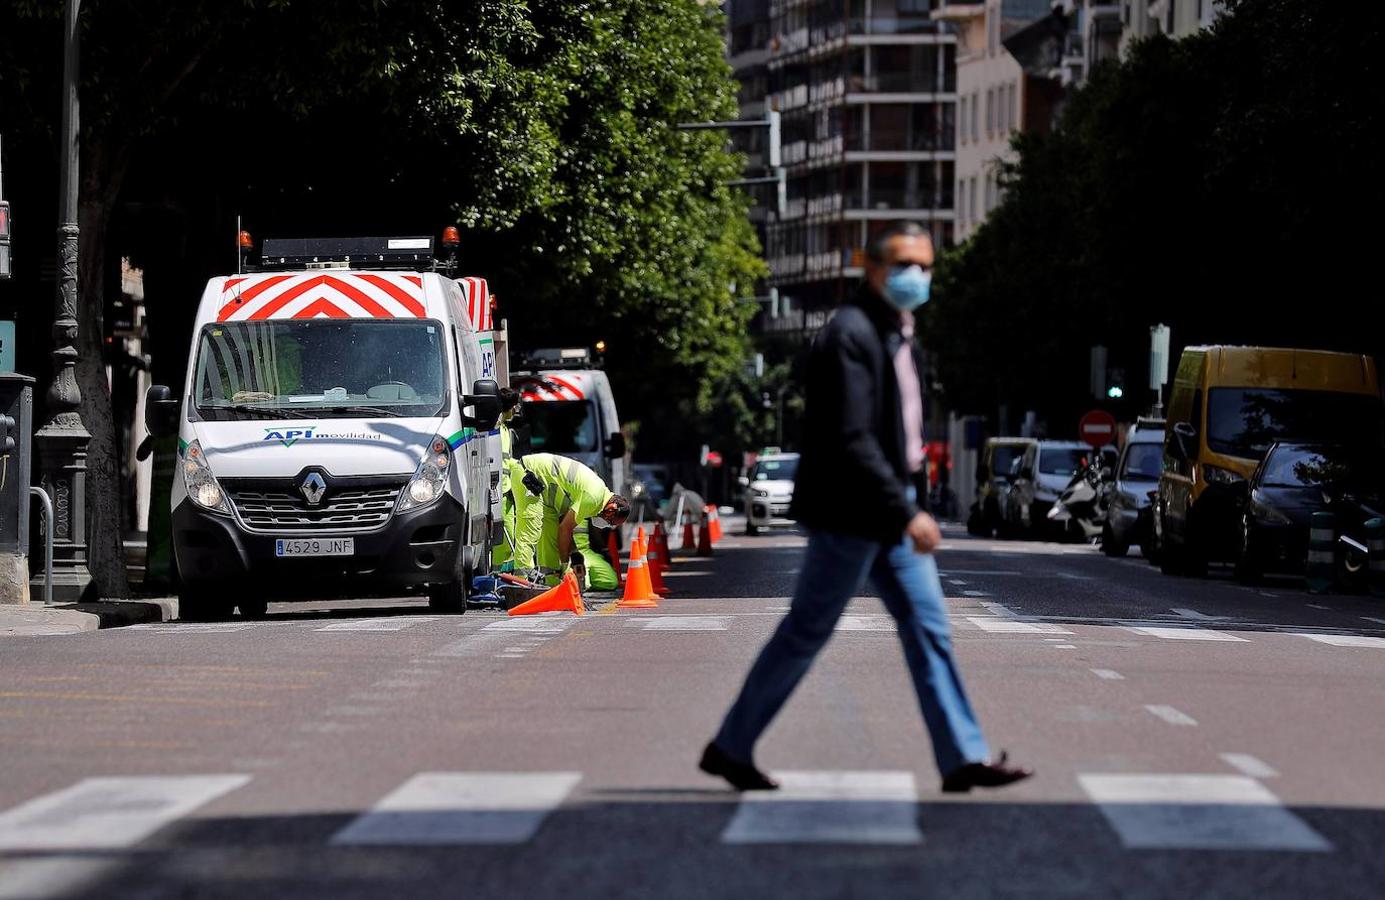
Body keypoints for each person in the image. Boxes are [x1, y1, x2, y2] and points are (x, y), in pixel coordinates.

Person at [700, 222, 1033, 794]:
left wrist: (910, 500)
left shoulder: (899, 336)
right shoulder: (849, 335)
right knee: (808, 629)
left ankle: (962, 757)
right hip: (855, 510)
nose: (918, 277)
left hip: (889, 505)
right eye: (906, 264)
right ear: (874, 269)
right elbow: (854, 439)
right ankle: (731, 746)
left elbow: (899, 435)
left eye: (927, 267)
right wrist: (906, 513)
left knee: (929, 628)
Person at [514, 452, 630, 590]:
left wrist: (573, 552)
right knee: (529, 529)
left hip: (544, 490)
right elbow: (565, 529)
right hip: (529, 473)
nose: (607, 525)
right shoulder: (594, 499)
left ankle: (552, 584)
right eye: (610, 522)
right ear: (611, 508)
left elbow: (564, 523)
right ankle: (521, 583)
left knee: (548, 537)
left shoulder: (598, 493)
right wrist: (565, 564)